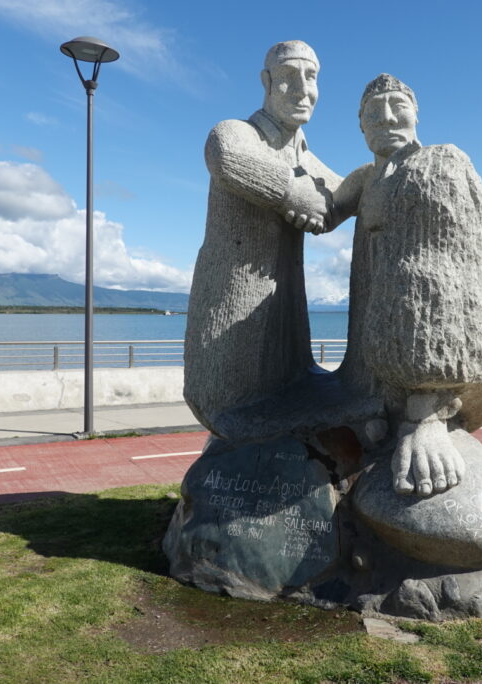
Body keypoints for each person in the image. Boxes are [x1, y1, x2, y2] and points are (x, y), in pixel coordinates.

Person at [334, 74, 482, 497]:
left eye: (397, 105)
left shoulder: (438, 163)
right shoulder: (366, 178)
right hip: (368, 360)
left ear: (416, 114)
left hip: (422, 367)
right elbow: (320, 207)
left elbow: (443, 276)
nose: (386, 117)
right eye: (373, 111)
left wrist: (425, 407)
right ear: (360, 126)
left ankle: (427, 413)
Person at [184, 41, 341, 434]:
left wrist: (388, 175)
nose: (303, 90)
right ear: (266, 82)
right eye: (289, 77)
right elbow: (226, 156)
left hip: (285, 331)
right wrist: (293, 192)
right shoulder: (238, 132)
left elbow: (340, 196)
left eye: (311, 77)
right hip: (230, 323)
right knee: (235, 407)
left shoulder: (305, 156)